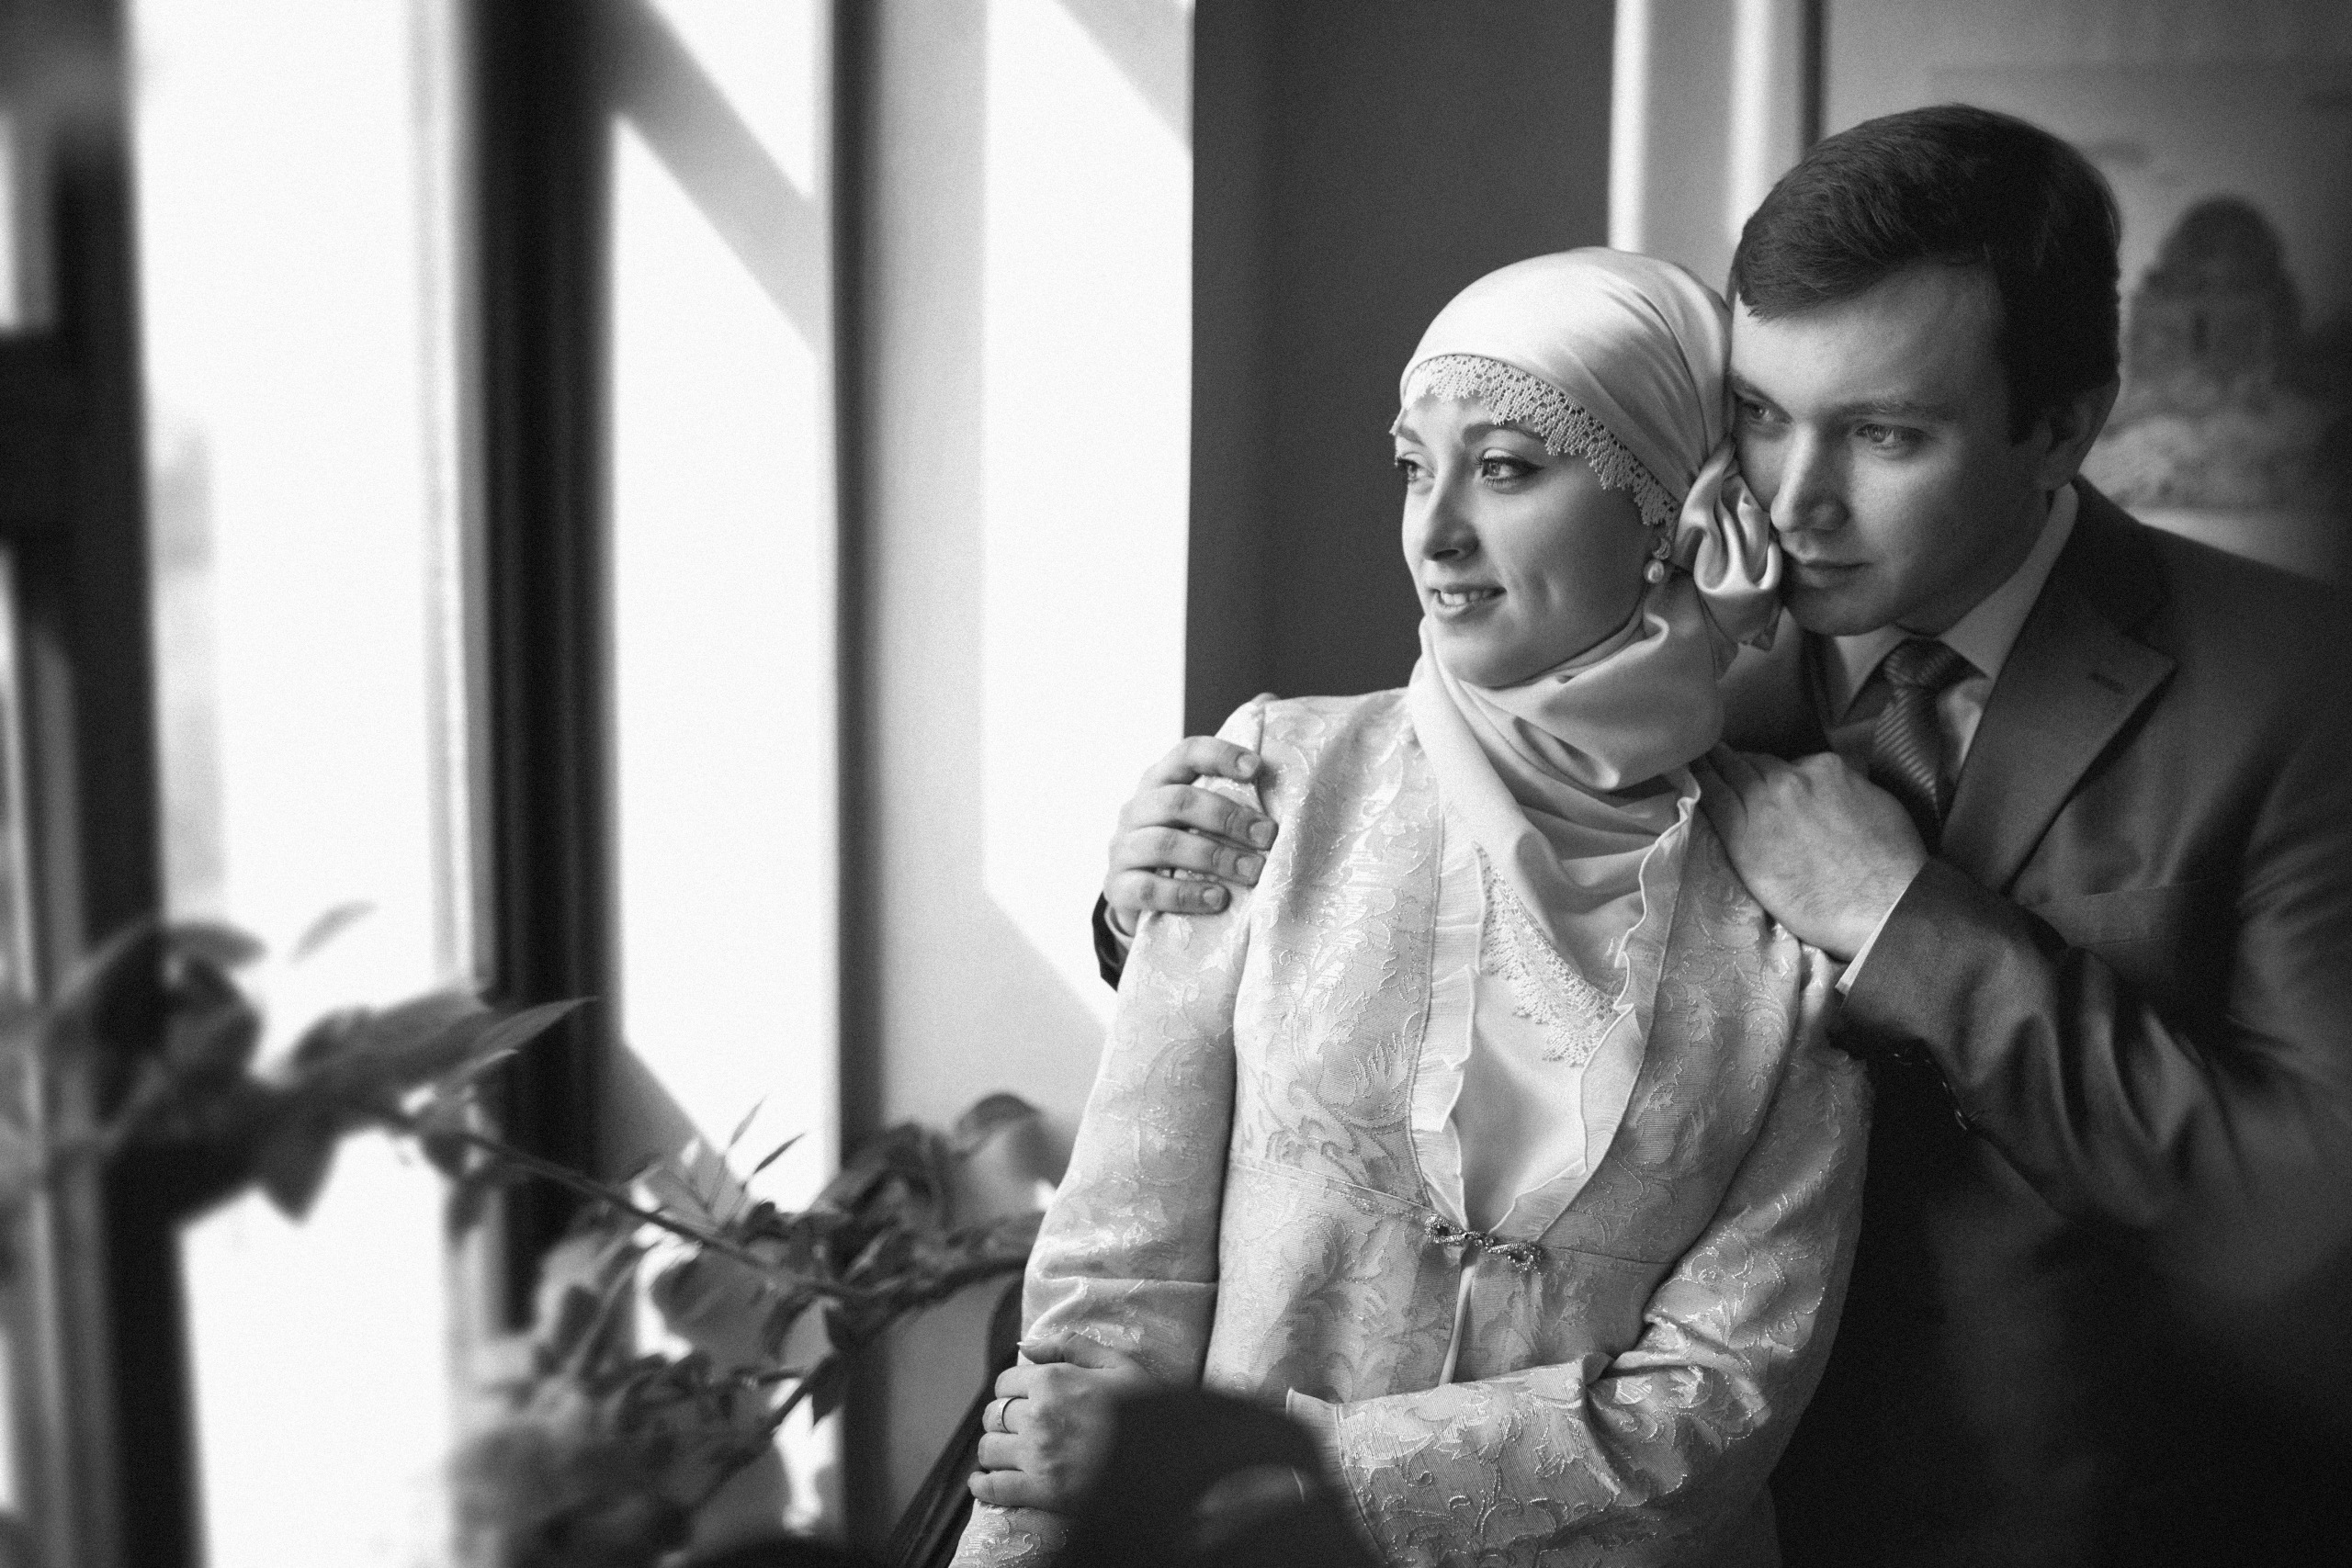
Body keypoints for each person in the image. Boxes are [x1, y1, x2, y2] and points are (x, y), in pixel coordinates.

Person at [1097, 106, 2352, 1565]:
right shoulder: (1655, 654)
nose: (1796, 498)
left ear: (2064, 425)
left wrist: (1911, 930)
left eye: (1884, 434)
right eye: (1760, 414)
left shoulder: (2299, 687)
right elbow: (1407, 946)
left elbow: (2303, 1208)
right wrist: (1168, 898)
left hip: (2088, 1520)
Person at [956, 250, 1869, 1568]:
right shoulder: (1274, 778)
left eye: (1505, 467)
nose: (1434, 531)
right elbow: (1111, 1280)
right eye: (1410, 466)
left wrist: (1274, 1470)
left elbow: (1718, 1407)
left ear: (1669, 509)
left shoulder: (1791, 902)